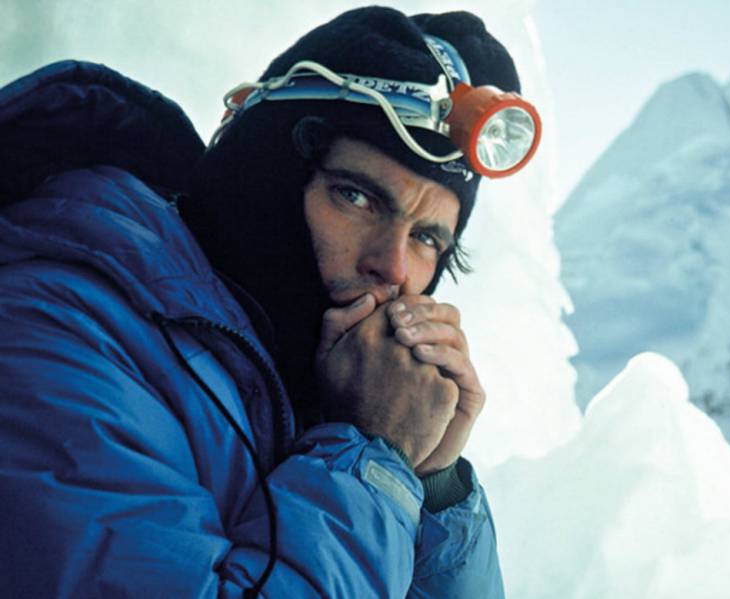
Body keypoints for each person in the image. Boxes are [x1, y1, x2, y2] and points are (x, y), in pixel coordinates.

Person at [0, 6, 539, 597]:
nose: (393, 267)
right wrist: (370, 459)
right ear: (265, 179)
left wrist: (430, 482)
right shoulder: (59, 326)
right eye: (356, 197)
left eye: (427, 237)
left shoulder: (304, 381)